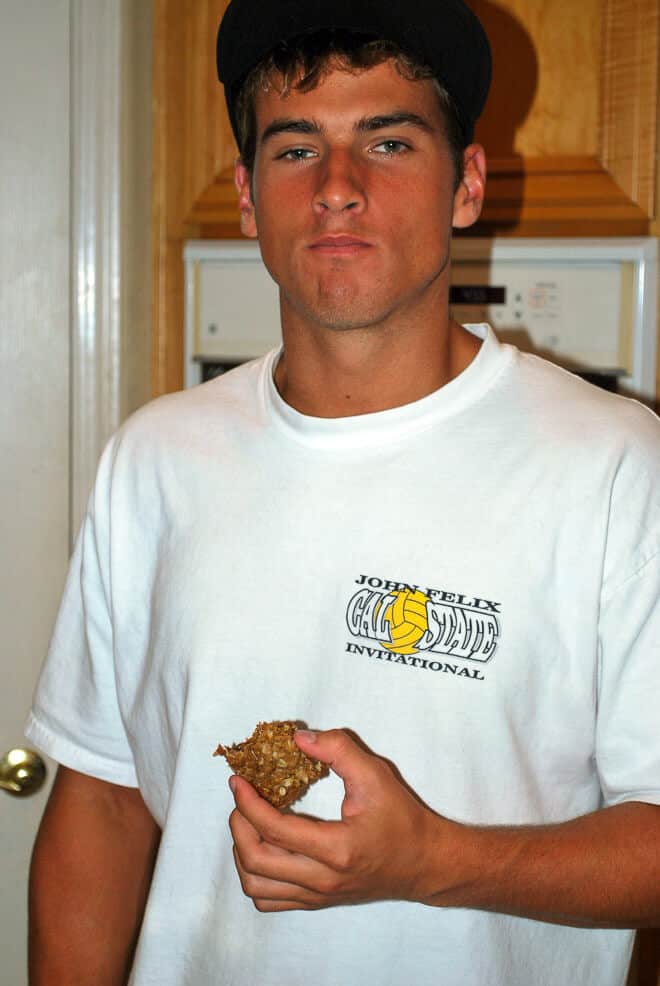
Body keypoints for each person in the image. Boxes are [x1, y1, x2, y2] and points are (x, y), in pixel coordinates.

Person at [27, 1, 660, 984]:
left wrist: (437, 861)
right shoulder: (155, 459)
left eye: (390, 141)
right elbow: (103, 801)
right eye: (294, 150)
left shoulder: (615, 468)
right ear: (245, 196)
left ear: (467, 185)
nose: (337, 188)